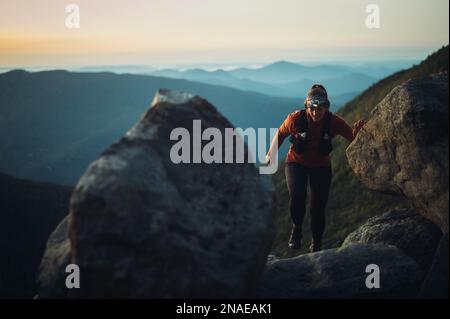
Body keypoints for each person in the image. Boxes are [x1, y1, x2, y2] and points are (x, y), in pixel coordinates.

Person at [266, 84, 365, 252]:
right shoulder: (295, 119)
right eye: (312, 107)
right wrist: (270, 155)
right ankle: (296, 229)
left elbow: (352, 138)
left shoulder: (334, 122)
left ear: (327, 107)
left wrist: (358, 134)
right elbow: (281, 133)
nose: (316, 111)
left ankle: (317, 243)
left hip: (321, 167)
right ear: (307, 106)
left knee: (317, 208)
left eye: (320, 108)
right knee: (297, 195)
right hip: (296, 163)